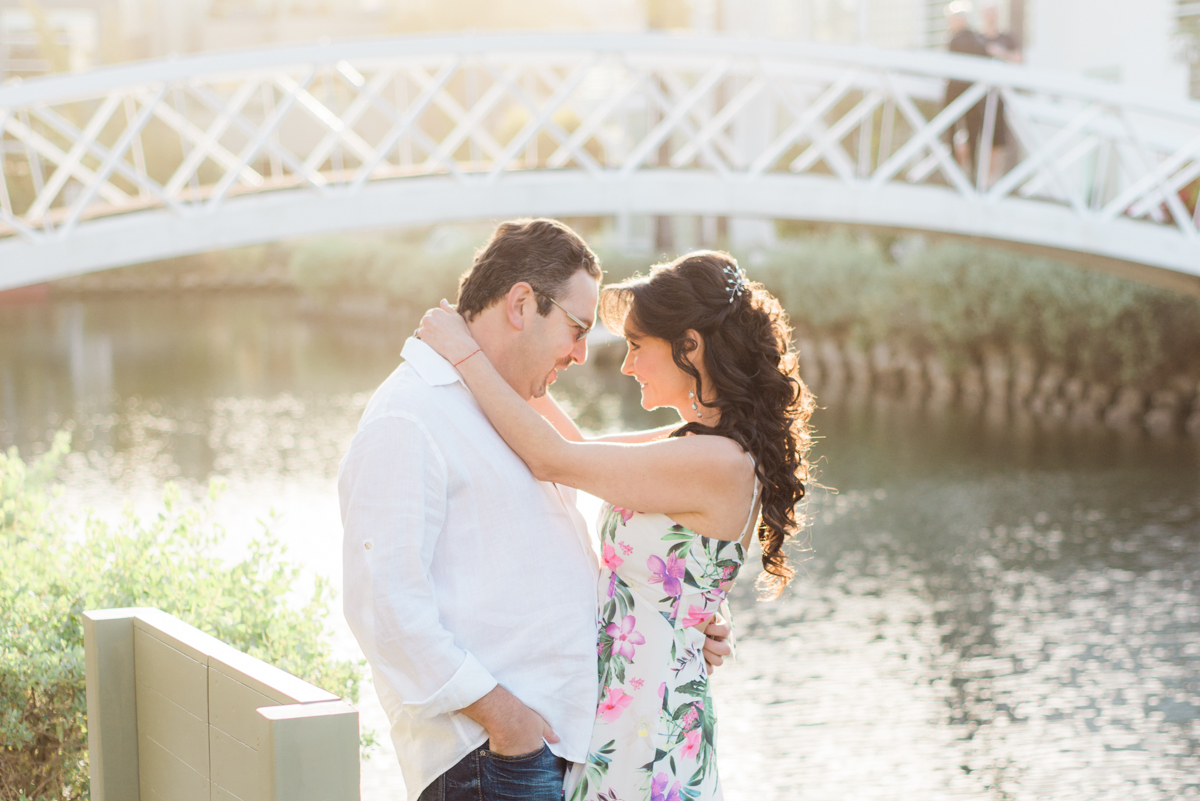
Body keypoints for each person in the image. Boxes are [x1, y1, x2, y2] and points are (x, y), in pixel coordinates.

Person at [339, 218, 731, 801]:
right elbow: (384, 606)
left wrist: (674, 614)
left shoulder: (503, 407)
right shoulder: (411, 415)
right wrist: (508, 723)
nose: (579, 354)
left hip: (554, 753)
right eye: (576, 328)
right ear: (522, 304)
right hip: (489, 760)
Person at [417, 250, 815, 801]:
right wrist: (512, 361)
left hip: (650, 735)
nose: (626, 366)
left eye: (636, 346)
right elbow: (576, 449)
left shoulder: (719, 462)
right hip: (629, 717)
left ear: (690, 346)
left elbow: (553, 460)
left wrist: (465, 358)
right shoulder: (693, 444)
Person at [943, 2, 990, 177]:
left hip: (955, 92)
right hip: (974, 95)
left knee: (951, 132)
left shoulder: (954, 39)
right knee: (973, 134)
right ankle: (972, 174)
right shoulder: (979, 39)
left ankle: (953, 173)